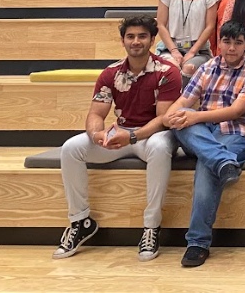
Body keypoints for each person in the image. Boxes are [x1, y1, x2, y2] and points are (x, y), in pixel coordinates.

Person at [53, 16, 182, 262]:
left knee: (160, 146)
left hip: (150, 135)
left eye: (142, 36)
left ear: (152, 40)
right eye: (130, 36)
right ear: (123, 40)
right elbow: (95, 113)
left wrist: (132, 136)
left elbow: (164, 119)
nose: (136, 41)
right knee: (71, 147)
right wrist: (97, 134)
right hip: (120, 134)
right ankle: (80, 221)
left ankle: (151, 227)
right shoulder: (110, 73)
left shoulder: (168, 72)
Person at [164, 20, 245, 268]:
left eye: (238, 43)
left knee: (205, 164)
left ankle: (197, 243)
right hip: (205, 132)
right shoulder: (208, 66)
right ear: (218, 43)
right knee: (181, 125)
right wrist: (172, 115)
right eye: (226, 42)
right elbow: (184, 101)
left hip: (239, 133)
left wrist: (193, 116)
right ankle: (223, 161)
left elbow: (236, 111)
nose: (231, 48)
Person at [156, 0, 220, 80]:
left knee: (188, 68)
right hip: (170, 47)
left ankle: (181, 101)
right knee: (171, 68)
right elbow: (161, 25)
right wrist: (174, 51)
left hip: (198, 50)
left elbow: (210, 27)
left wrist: (191, 52)